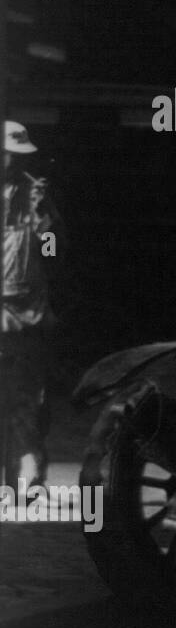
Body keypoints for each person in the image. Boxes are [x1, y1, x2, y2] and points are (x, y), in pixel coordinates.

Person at [2, 121, 63, 495]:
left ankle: (26, 475)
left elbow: (54, 254)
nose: (12, 162)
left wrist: (43, 222)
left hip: (28, 317)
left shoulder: (36, 196)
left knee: (26, 400)